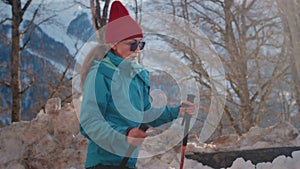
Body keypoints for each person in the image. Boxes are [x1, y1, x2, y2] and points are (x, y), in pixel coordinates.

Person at [79, 1, 195, 169]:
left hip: (128, 161)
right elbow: (89, 123)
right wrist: (125, 134)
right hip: (103, 163)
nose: (138, 50)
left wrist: (177, 111)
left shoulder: (138, 76)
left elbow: (146, 115)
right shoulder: (100, 75)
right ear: (113, 44)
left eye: (140, 44)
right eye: (132, 44)